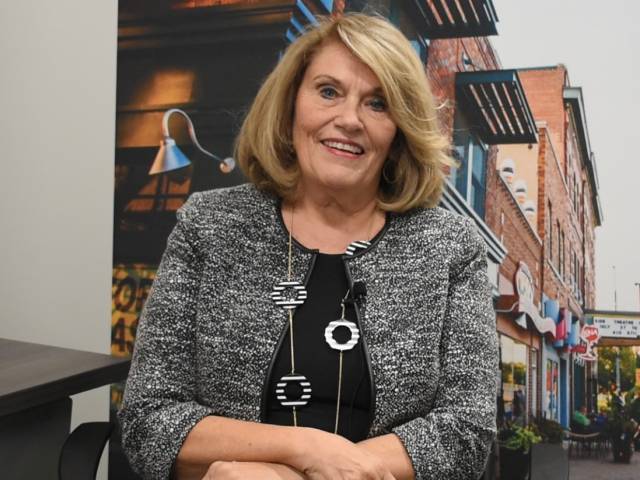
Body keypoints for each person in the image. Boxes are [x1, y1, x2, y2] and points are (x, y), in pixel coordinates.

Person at [118, 13, 498, 480]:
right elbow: (149, 418)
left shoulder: (451, 247)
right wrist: (306, 450)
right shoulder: (209, 225)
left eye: (378, 104)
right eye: (328, 91)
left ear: (399, 130)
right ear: (291, 103)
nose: (349, 120)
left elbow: (466, 431)